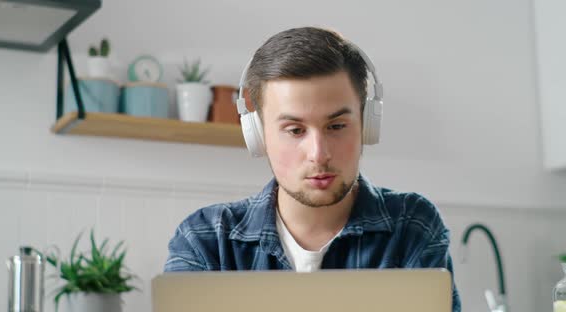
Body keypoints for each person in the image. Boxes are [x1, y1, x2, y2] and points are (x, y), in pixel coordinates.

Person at [164, 26, 461, 312]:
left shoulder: (411, 226)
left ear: (367, 126)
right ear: (258, 135)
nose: (319, 154)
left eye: (336, 126)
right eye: (294, 130)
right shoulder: (205, 239)